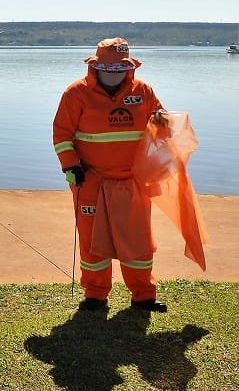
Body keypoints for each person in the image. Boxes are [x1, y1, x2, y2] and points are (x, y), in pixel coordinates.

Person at [53, 37, 170, 314]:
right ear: (95, 67)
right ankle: (95, 295)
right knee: (92, 239)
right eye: (109, 69)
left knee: (137, 239)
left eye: (120, 70)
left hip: (134, 181)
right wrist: (71, 166)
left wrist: (167, 125)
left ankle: (143, 296)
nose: (114, 75)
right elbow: (61, 134)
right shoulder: (75, 94)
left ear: (128, 68)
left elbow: (161, 123)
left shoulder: (143, 91)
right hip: (90, 180)